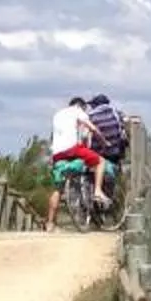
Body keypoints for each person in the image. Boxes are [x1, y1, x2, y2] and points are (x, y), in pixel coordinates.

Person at [45, 95, 107, 226]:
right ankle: (97, 191)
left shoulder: (57, 114)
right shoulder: (77, 111)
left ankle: (50, 224)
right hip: (72, 149)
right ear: (80, 106)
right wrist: (103, 141)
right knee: (100, 161)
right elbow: (92, 128)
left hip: (57, 154)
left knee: (57, 188)